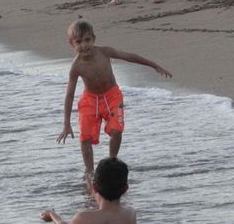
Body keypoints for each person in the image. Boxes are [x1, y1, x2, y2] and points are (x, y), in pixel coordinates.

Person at [59, 17, 171, 179]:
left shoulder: (104, 52)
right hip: (90, 100)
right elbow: (69, 95)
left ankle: (112, 161)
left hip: (112, 96)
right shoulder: (76, 67)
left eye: (87, 40)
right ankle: (89, 172)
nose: (84, 45)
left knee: (117, 130)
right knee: (85, 138)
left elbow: (128, 56)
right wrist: (66, 124)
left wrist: (154, 65)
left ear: (94, 39)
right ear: (72, 44)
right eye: (78, 42)